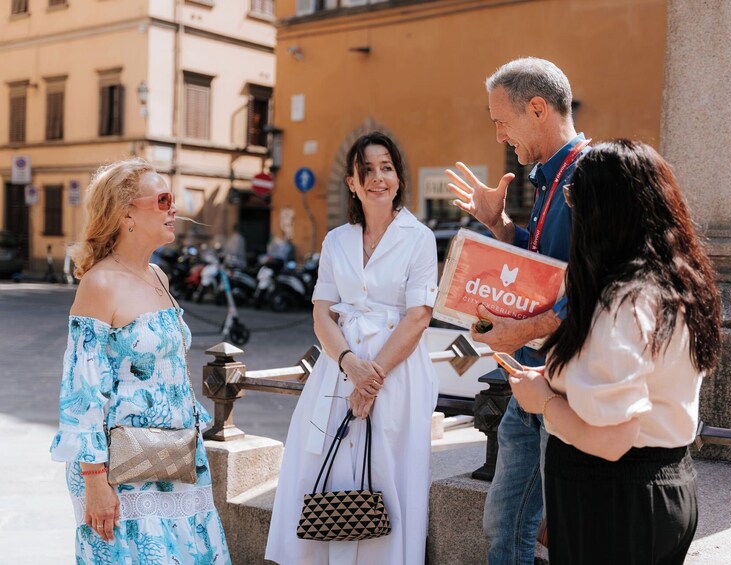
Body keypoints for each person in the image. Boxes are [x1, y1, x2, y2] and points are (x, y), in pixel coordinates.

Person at [508, 140, 722, 564]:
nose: (572, 211)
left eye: (575, 198)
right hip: (658, 486)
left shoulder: (623, 300)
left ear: (604, 210)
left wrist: (544, 402)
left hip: (614, 499)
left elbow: (612, 439)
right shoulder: (681, 282)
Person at [265, 132, 439, 565]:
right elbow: (321, 312)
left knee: (387, 470)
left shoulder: (419, 238)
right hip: (337, 368)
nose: (378, 177)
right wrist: (349, 366)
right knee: (325, 463)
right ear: (352, 182)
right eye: (368, 170)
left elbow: (419, 316)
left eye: (387, 168)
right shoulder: (336, 240)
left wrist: (371, 377)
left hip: (397, 373)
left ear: (398, 178)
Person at [49, 159, 231, 562]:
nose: (174, 209)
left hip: (174, 458)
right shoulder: (100, 284)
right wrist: (94, 480)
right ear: (126, 211)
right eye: (163, 199)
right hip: (120, 470)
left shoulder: (158, 277)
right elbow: (82, 391)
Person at [446, 57, 589, 564]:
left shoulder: (590, 176)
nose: (502, 136)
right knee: (503, 524)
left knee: (561, 532)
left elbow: (591, 290)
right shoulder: (549, 177)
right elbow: (544, 269)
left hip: (567, 385)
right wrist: (501, 226)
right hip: (533, 380)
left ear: (537, 108)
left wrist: (518, 333)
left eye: (501, 122)